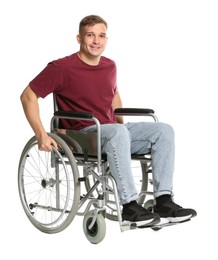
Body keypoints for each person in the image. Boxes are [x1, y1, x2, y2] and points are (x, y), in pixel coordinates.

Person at [20, 14, 196, 227]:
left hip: (110, 131)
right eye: (90, 35)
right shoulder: (61, 68)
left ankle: (163, 200)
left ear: (106, 39)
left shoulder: (110, 65)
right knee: (118, 133)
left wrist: (122, 132)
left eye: (101, 36)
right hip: (82, 134)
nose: (96, 41)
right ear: (79, 38)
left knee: (164, 130)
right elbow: (28, 96)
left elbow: (113, 95)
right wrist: (41, 134)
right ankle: (129, 205)